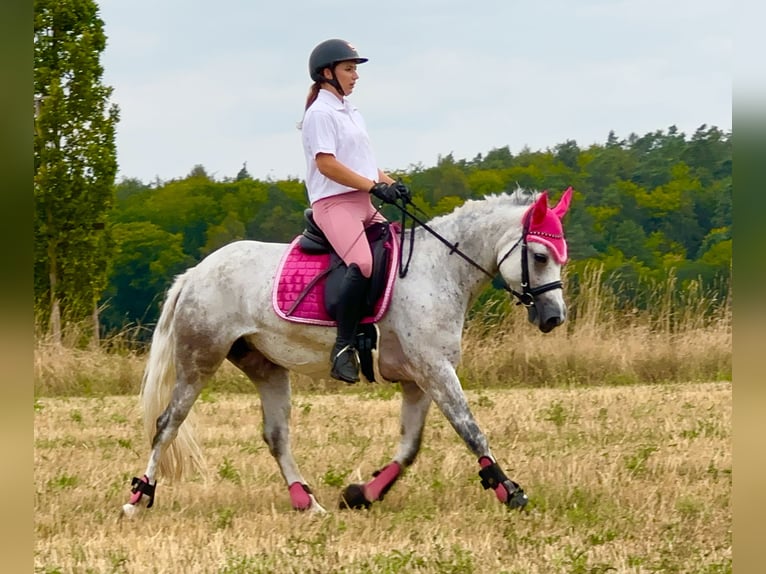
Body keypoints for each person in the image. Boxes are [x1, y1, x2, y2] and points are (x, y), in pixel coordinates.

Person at [300, 38, 411, 384]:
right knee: (362, 263)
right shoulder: (320, 113)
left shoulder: (351, 112)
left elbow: (365, 165)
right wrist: (371, 187)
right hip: (333, 204)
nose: (355, 76)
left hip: (362, 202)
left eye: (355, 69)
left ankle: (376, 333)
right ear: (327, 73)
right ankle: (343, 347)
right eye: (349, 69)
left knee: (397, 251)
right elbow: (327, 165)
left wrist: (391, 184)